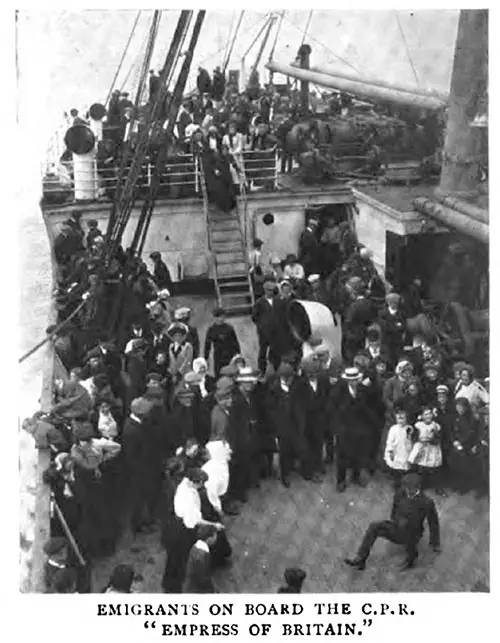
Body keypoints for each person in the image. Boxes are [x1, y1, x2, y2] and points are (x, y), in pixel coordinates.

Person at [344, 472, 440, 571]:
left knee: (409, 532)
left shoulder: (426, 502)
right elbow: (394, 512)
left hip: (413, 533)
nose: (407, 491)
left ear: (417, 488)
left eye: (410, 489)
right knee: (374, 527)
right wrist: (397, 520)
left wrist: (434, 543)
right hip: (396, 526)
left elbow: (433, 523)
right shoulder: (399, 494)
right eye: (406, 488)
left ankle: (411, 559)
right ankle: (361, 558)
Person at [408, 407, 444, 494]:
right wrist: (419, 440)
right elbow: (413, 437)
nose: (428, 416)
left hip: (432, 448)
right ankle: (419, 487)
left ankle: (438, 488)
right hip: (422, 448)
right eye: (426, 414)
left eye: (430, 413)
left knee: (435, 469)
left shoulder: (435, 425)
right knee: (421, 469)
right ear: (422, 416)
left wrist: (433, 437)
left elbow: (438, 438)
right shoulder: (418, 425)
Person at [252, 279, 280, 375]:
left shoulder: (278, 300)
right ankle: (261, 371)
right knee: (263, 351)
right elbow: (254, 317)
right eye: (268, 290)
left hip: (276, 332)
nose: (270, 292)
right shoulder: (259, 302)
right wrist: (261, 326)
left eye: (272, 290)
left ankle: (276, 369)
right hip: (264, 332)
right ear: (264, 290)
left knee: (276, 351)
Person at [203, 307, 241, 377]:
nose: (221, 319)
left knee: (232, 373)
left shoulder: (229, 328)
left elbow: (235, 342)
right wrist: (206, 358)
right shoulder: (211, 330)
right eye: (219, 317)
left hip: (230, 355)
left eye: (223, 317)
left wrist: (238, 354)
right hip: (218, 356)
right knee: (219, 374)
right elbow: (207, 345)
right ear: (215, 318)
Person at [182, 524, 219, 593]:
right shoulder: (202, 555)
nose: (216, 538)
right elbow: (203, 577)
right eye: (215, 535)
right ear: (209, 538)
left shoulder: (195, 547)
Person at [384, 407, 414, 489]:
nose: (401, 421)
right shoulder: (393, 429)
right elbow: (389, 441)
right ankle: (397, 483)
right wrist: (390, 451)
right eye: (398, 419)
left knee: (405, 467)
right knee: (397, 468)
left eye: (403, 419)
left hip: (405, 449)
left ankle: (405, 483)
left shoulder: (409, 428)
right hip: (396, 450)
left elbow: (410, 439)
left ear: (406, 419)